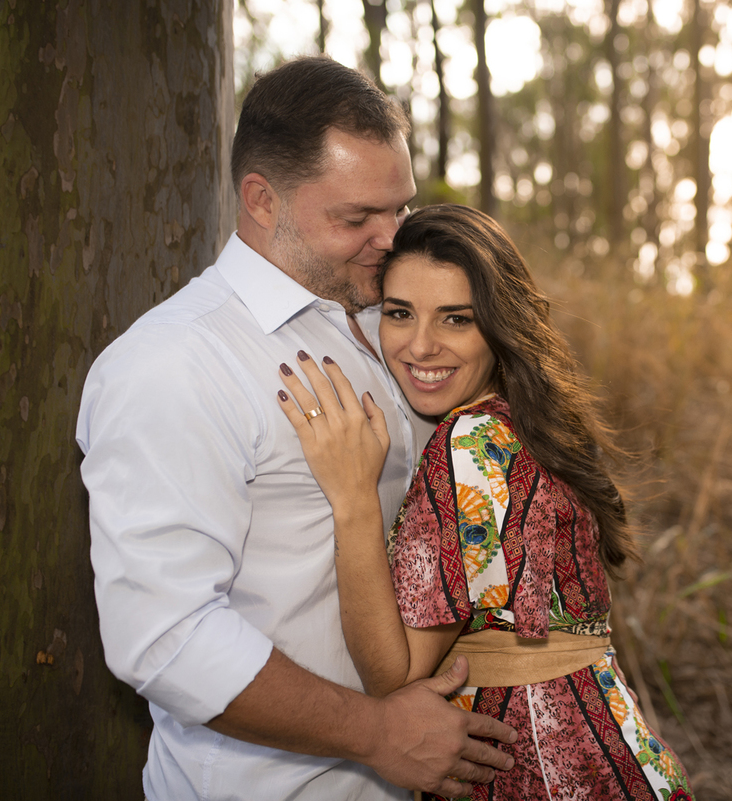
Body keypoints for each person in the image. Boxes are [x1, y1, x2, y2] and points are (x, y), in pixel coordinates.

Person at [76, 58, 516, 801]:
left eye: (400, 208)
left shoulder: (397, 324)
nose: (391, 236)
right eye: (356, 218)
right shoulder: (173, 364)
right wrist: (378, 733)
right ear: (261, 200)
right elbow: (165, 635)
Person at [276, 204, 695, 800]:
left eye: (456, 319)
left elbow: (396, 676)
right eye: (399, 313)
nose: (420, 346)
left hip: (533, 768)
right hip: (622, 753)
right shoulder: (530, 422)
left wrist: (352, 500)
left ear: (499, 326)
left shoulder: (468, 443)